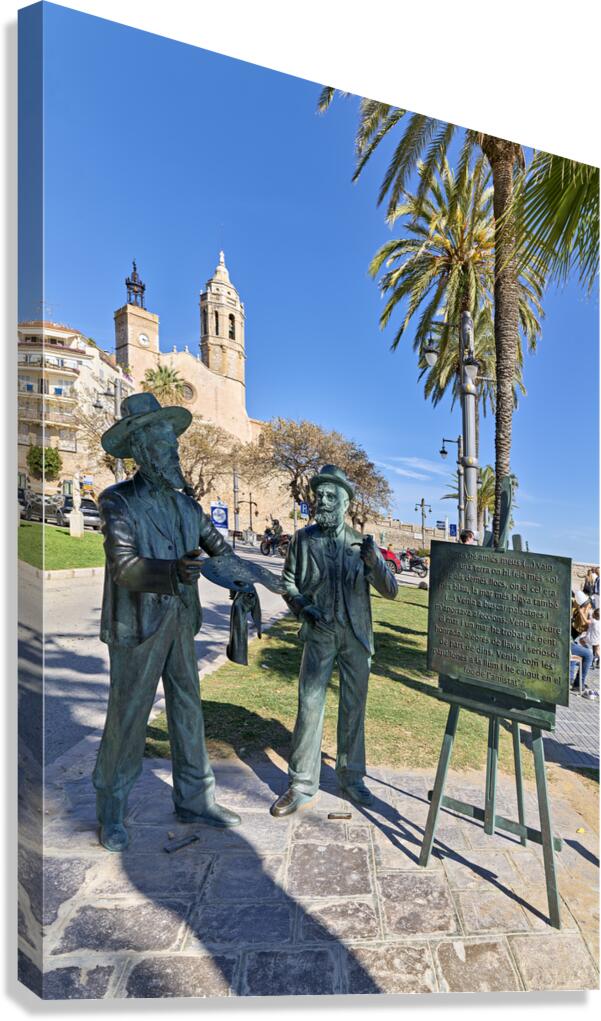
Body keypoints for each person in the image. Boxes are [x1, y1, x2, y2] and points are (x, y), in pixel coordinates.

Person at [93, 393, 271, 851]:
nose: (175, 453)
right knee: (128, 716)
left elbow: (221, 552)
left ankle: (194, 797)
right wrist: (170, 572)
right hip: (138, 625)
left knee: (188, 709)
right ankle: (111, 805)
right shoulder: (118, 502)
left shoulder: (187, 508)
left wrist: (247, 584)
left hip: (179, 623)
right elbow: (124, 567)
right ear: (144, 449)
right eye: (166, 446)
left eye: (175, 445)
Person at [270, 465, 398, 817]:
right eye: (319, 495)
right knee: (310, 705)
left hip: (356, 636)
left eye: (330, 496)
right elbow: (289, 583)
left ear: (345, 503)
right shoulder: (302, 540)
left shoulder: (362, 544)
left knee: (354, 708)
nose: (322, 501)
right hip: (320, 631)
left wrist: (374, 563)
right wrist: (304, 607)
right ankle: (302, 783)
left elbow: (391, 590)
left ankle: (351, 777)